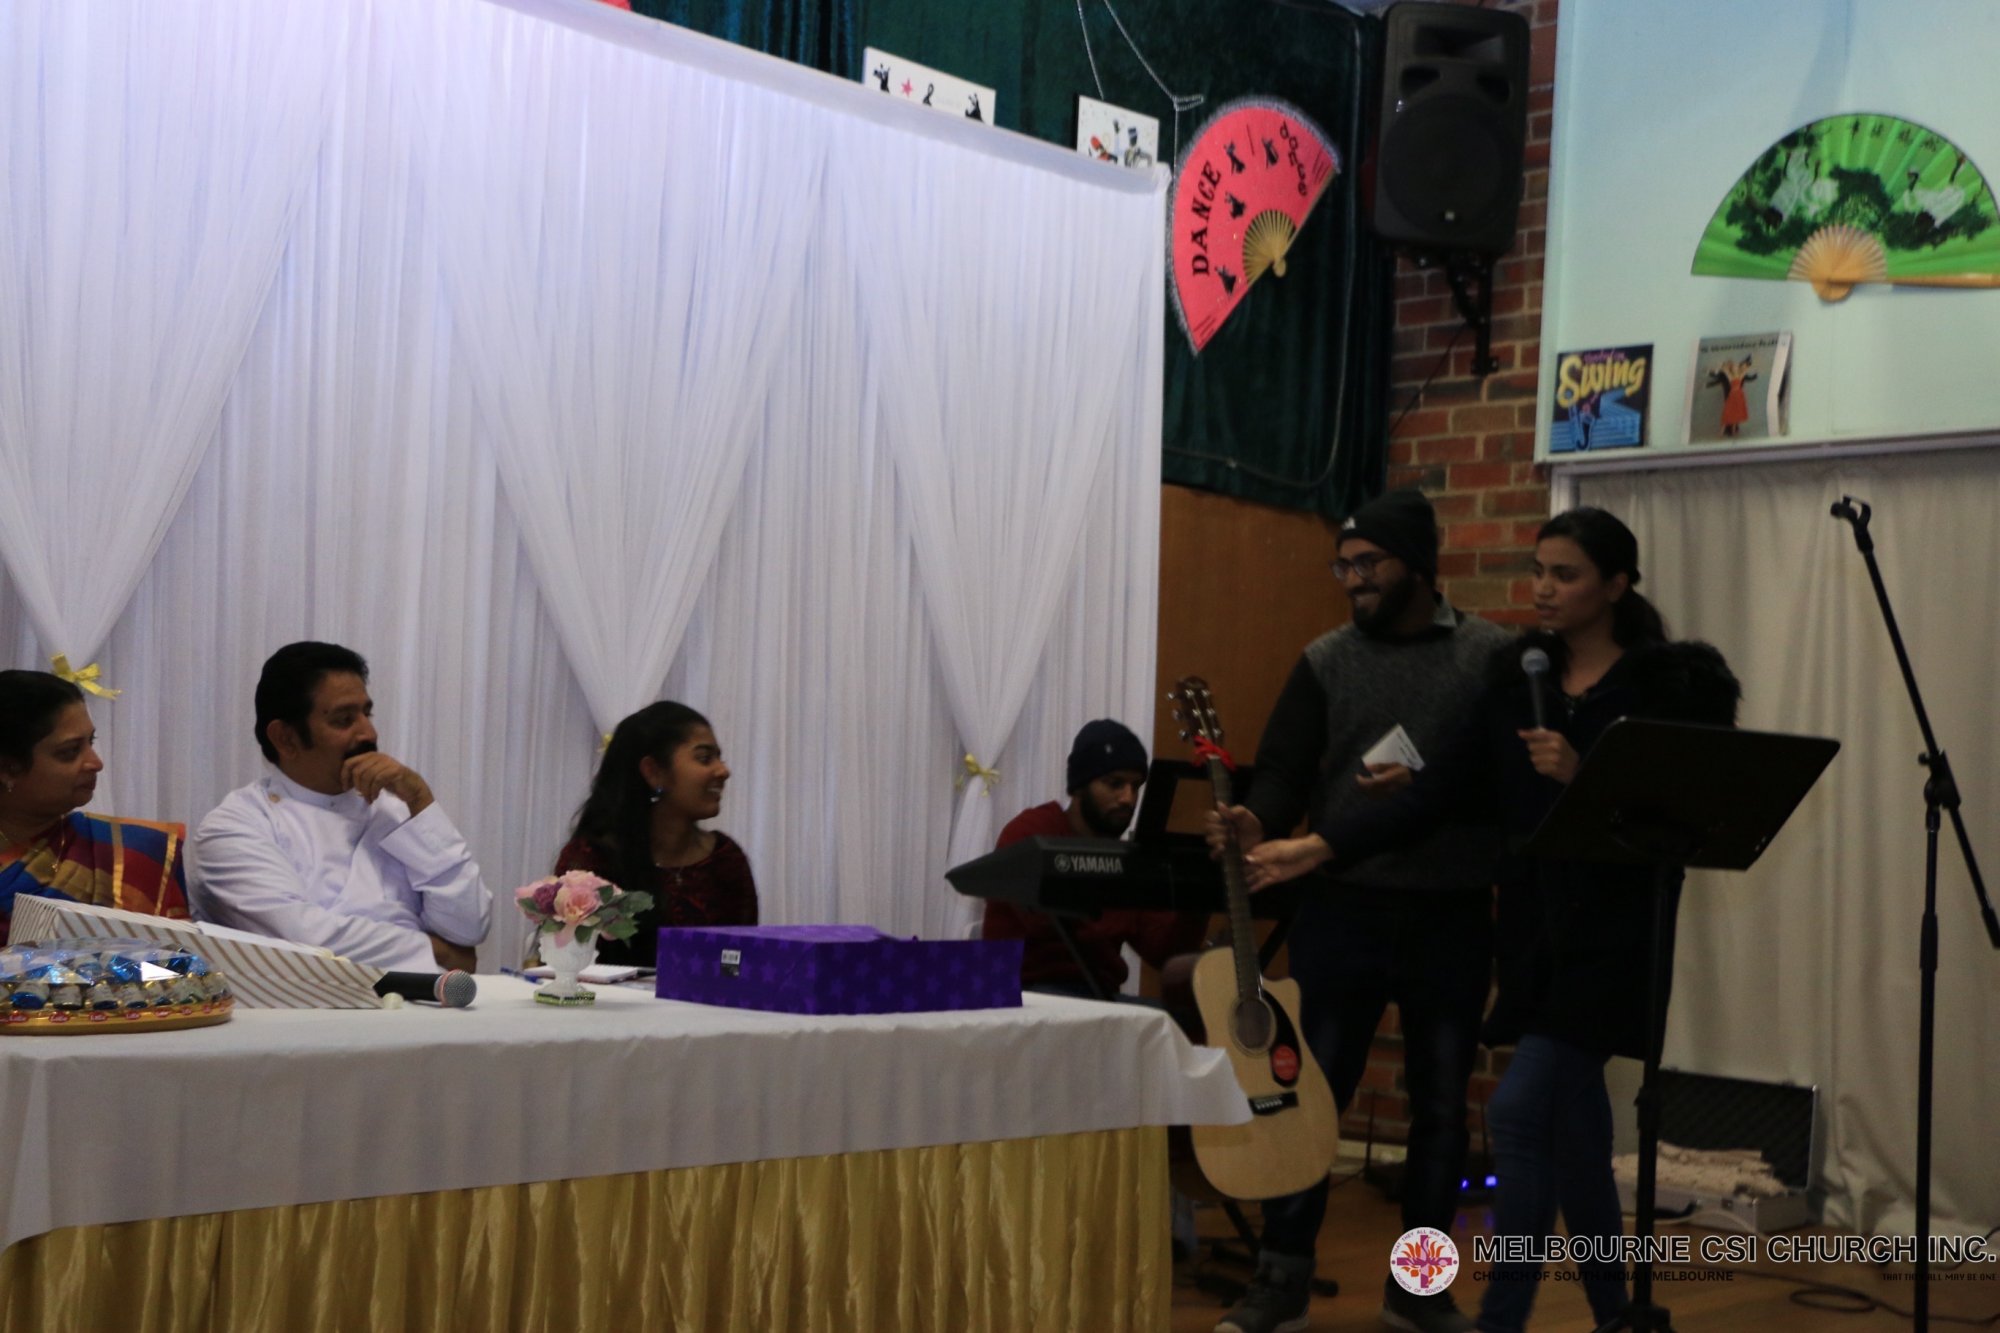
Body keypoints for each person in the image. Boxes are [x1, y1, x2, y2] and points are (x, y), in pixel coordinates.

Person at [1231, 508, 1740, 1333]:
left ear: (1616, 585)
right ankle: (1613, 1312)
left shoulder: (1666, 686)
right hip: (1528, 933)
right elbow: (1442, 788)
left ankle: (1461, 1304)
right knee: (1573, 1137)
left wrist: (1583, 774)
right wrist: (1316, 845)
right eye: (1538, 569)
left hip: (1605, 938)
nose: (1543, 587)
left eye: (1565, 573)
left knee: (1498, 1114)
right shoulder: (1516, 677)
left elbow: (1686, 811)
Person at [1208, 489, 1509, 1333]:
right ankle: (1281, 1282)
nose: (1352, 580)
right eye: (1342, 565)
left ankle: (1420, 1289)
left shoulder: (1490, 655)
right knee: (1308, 1100)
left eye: (1367, 562)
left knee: (1442, 1112)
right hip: (1343, 908)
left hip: (1452, 912)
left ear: (1418, 562)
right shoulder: (1326, 658)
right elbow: (1284, 769)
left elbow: (1501, 779)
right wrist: (1257, 818)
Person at [193, 642, 492, 971]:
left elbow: (469, 927)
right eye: (344, 719)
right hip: (309, 1002)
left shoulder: (396, 810)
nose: (368, 733)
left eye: (367, 713)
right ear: (286, 738)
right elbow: (303, 941)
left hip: (429, 996)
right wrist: (440, 954)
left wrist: (421, 801)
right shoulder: (236, 825)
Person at [980, 718, 1205, 1000]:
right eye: (1115, 784)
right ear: (1079, 786)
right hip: (1027, 996)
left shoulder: (1127, 858)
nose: (1128, 799)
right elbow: (1045, 922)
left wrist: (1197, 897)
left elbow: (1163, 952)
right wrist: (1118, 898)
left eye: (1136, 786)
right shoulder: (1032, 832)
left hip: (1098, 1000)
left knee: (1178, 1022)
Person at [554, 701, 756, 968]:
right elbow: (567, 968)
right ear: (654, 772)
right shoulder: (593, 861)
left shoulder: (725, 859)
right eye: (704, 758)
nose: (723, 771)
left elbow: (741, 964)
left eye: (720, 758)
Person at [0, 670, 190, 945]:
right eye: (69, 752)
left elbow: (173, 965)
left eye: (91, 743)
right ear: (8, 768)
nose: (96, 763)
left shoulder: (134, 853)